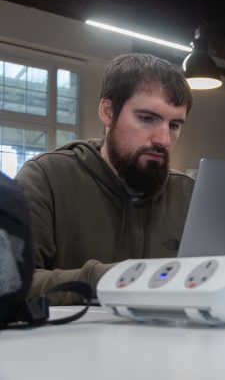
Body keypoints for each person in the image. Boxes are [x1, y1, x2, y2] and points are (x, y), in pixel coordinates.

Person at [15, 53, 195, 304]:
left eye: (174, 125)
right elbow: (12, 283)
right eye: (147, 119)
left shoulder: (188, 194)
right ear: (108, 112)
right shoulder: (45, 178)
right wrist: (113, 279)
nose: (163, 140)